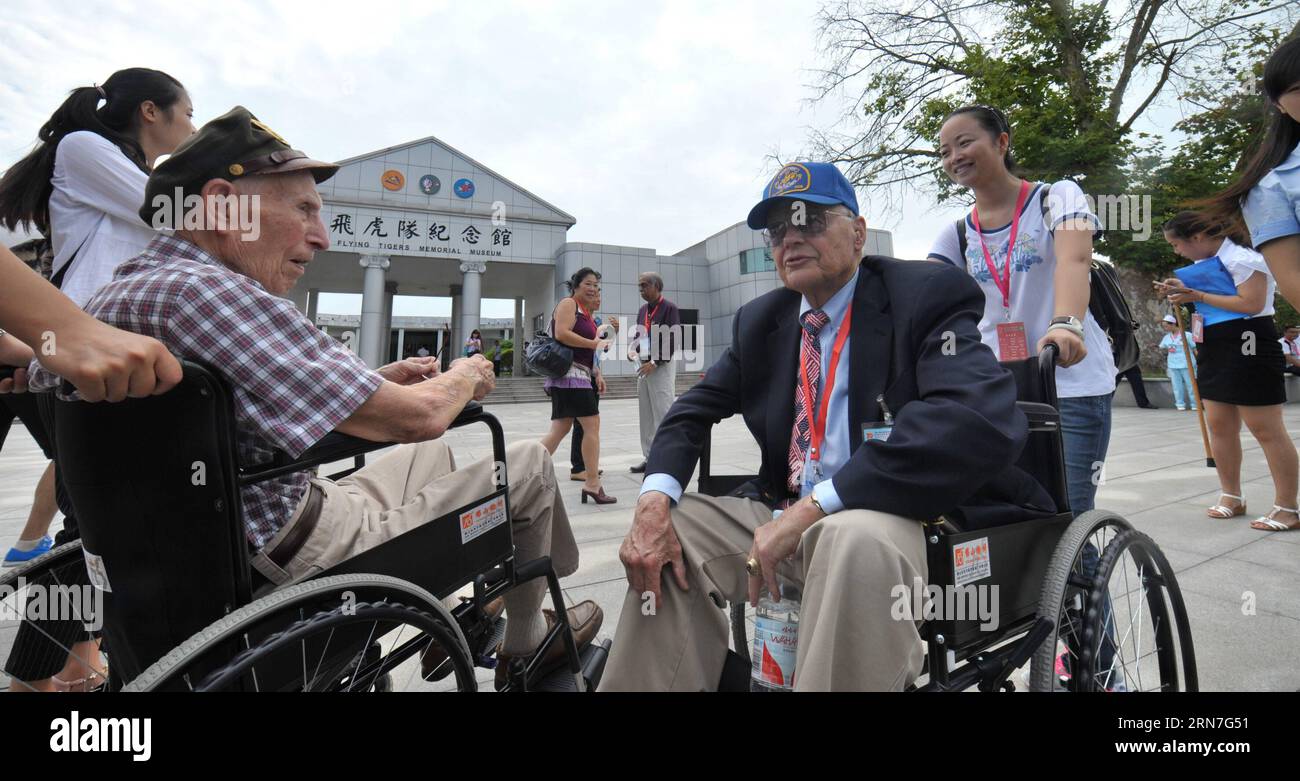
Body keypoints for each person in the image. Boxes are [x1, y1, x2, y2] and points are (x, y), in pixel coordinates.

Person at [28, 106, 601, 687]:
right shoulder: (214, 295)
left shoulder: (125, 293)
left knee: (430, 460)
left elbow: (245, 399)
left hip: (222, 544)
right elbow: (424, 416)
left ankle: (481, 609)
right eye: (303, 209)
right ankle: (526, 643)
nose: (321, 236)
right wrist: (466, 376)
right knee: (526, 464)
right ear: (225, 204)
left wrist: (374, 380)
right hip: (301, 559)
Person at [600, 162, 1052, 691]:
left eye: (810, 221)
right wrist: (654, 501)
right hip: (782, 511)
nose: (790, 239)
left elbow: (971, 416)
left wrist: (819, 505)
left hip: (899, 514)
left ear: (858, 233)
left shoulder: (924, 294)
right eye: (777, 231)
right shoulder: (762, 321)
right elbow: (690, 410)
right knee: (667, 534)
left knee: (851, 539)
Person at [928, 105, 1117, 520]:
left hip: (1068, 377)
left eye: (964, 142)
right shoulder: (957, 232)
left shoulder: (1056, 196)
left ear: (1002, 141)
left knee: (1069, 517)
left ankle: (1084, 587)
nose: (954, 156)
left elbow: (1075, 259)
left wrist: (1066, 325)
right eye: (944, 151)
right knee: (1017, 516)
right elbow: (928, 298)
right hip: (999, 391)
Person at [1159, 210, 1298, 531]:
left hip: (1249, 339)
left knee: (1265, 427)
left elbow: (1251, 303)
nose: (1176, 251)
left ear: (1197, 238)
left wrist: (1198, 295)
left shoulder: (1243, 257)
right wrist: (1182, 291)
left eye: (1177, 244)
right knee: (1219, 424)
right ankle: (1231, 495)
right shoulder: (1200, 265)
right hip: (1213, 342)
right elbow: (1210, 300)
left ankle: (1287, 506)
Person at [1199, 37, 1300, 308]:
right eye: (1299, 89)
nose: (1176, 252)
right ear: (1279, 104)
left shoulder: (1239, 259)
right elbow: (1292, 280)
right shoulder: (1270, 188)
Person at [539, 268, 615, 504]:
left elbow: (589, 350)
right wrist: (593, 344)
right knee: (592, 426)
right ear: (576, 285)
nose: (593, 289)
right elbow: (562, 334)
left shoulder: (586, 314)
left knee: (559, 430)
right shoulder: (568, 304)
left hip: (578, 376)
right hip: (570, 378)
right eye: (589, 284)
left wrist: (597, 372)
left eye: (596, 286)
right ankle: (592, 483)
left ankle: (520, 468)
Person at [627, 271, 680, 474]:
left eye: (644, 285)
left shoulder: (669, 308)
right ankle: (649, 457)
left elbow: (673, 338)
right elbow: (640, 335)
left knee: (663, 411)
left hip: (660, 366)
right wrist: (632, 349)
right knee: (646, 414)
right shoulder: (643, 310)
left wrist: (655, 361)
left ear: (657, 286)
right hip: (643, 365)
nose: (641, 290)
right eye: (639, 286)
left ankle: (666, 458)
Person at [570, 314, 616, 482]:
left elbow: (600, 350)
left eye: (597, 290)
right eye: (591, 288)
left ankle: (587, 466)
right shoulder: (577, 319)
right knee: (579, 424)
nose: (596, 296)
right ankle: (579, 467)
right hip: (578, 376)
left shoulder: (594, 321)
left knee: (589, 424)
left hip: (591, 374)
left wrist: (613, 333)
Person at [1159, 313, 1198, 410]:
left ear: (1173, 324)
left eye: (1166, 326)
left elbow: (1194, 348)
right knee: (1177, 386)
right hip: (1173, 365)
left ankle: (1195, 404)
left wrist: (1200, 360)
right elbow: (1162, 346)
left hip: (1187, 364)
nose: (1165, 328)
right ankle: (1180, 404)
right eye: (1164, 327)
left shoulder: (1187, 335)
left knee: (1191, 385)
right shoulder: (1167, 337)